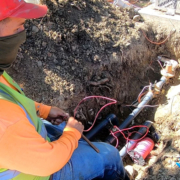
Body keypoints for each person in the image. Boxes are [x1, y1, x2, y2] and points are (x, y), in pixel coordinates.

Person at [0, 0, 131, 180]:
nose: (23, 35)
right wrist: (72, 136)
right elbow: (47, 163)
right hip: (38, 172)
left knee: (63, 127)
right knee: (109, 155)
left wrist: (43, 111)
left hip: (22, 146)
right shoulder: (4, 124)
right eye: (18, 28)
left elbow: (13, 101)